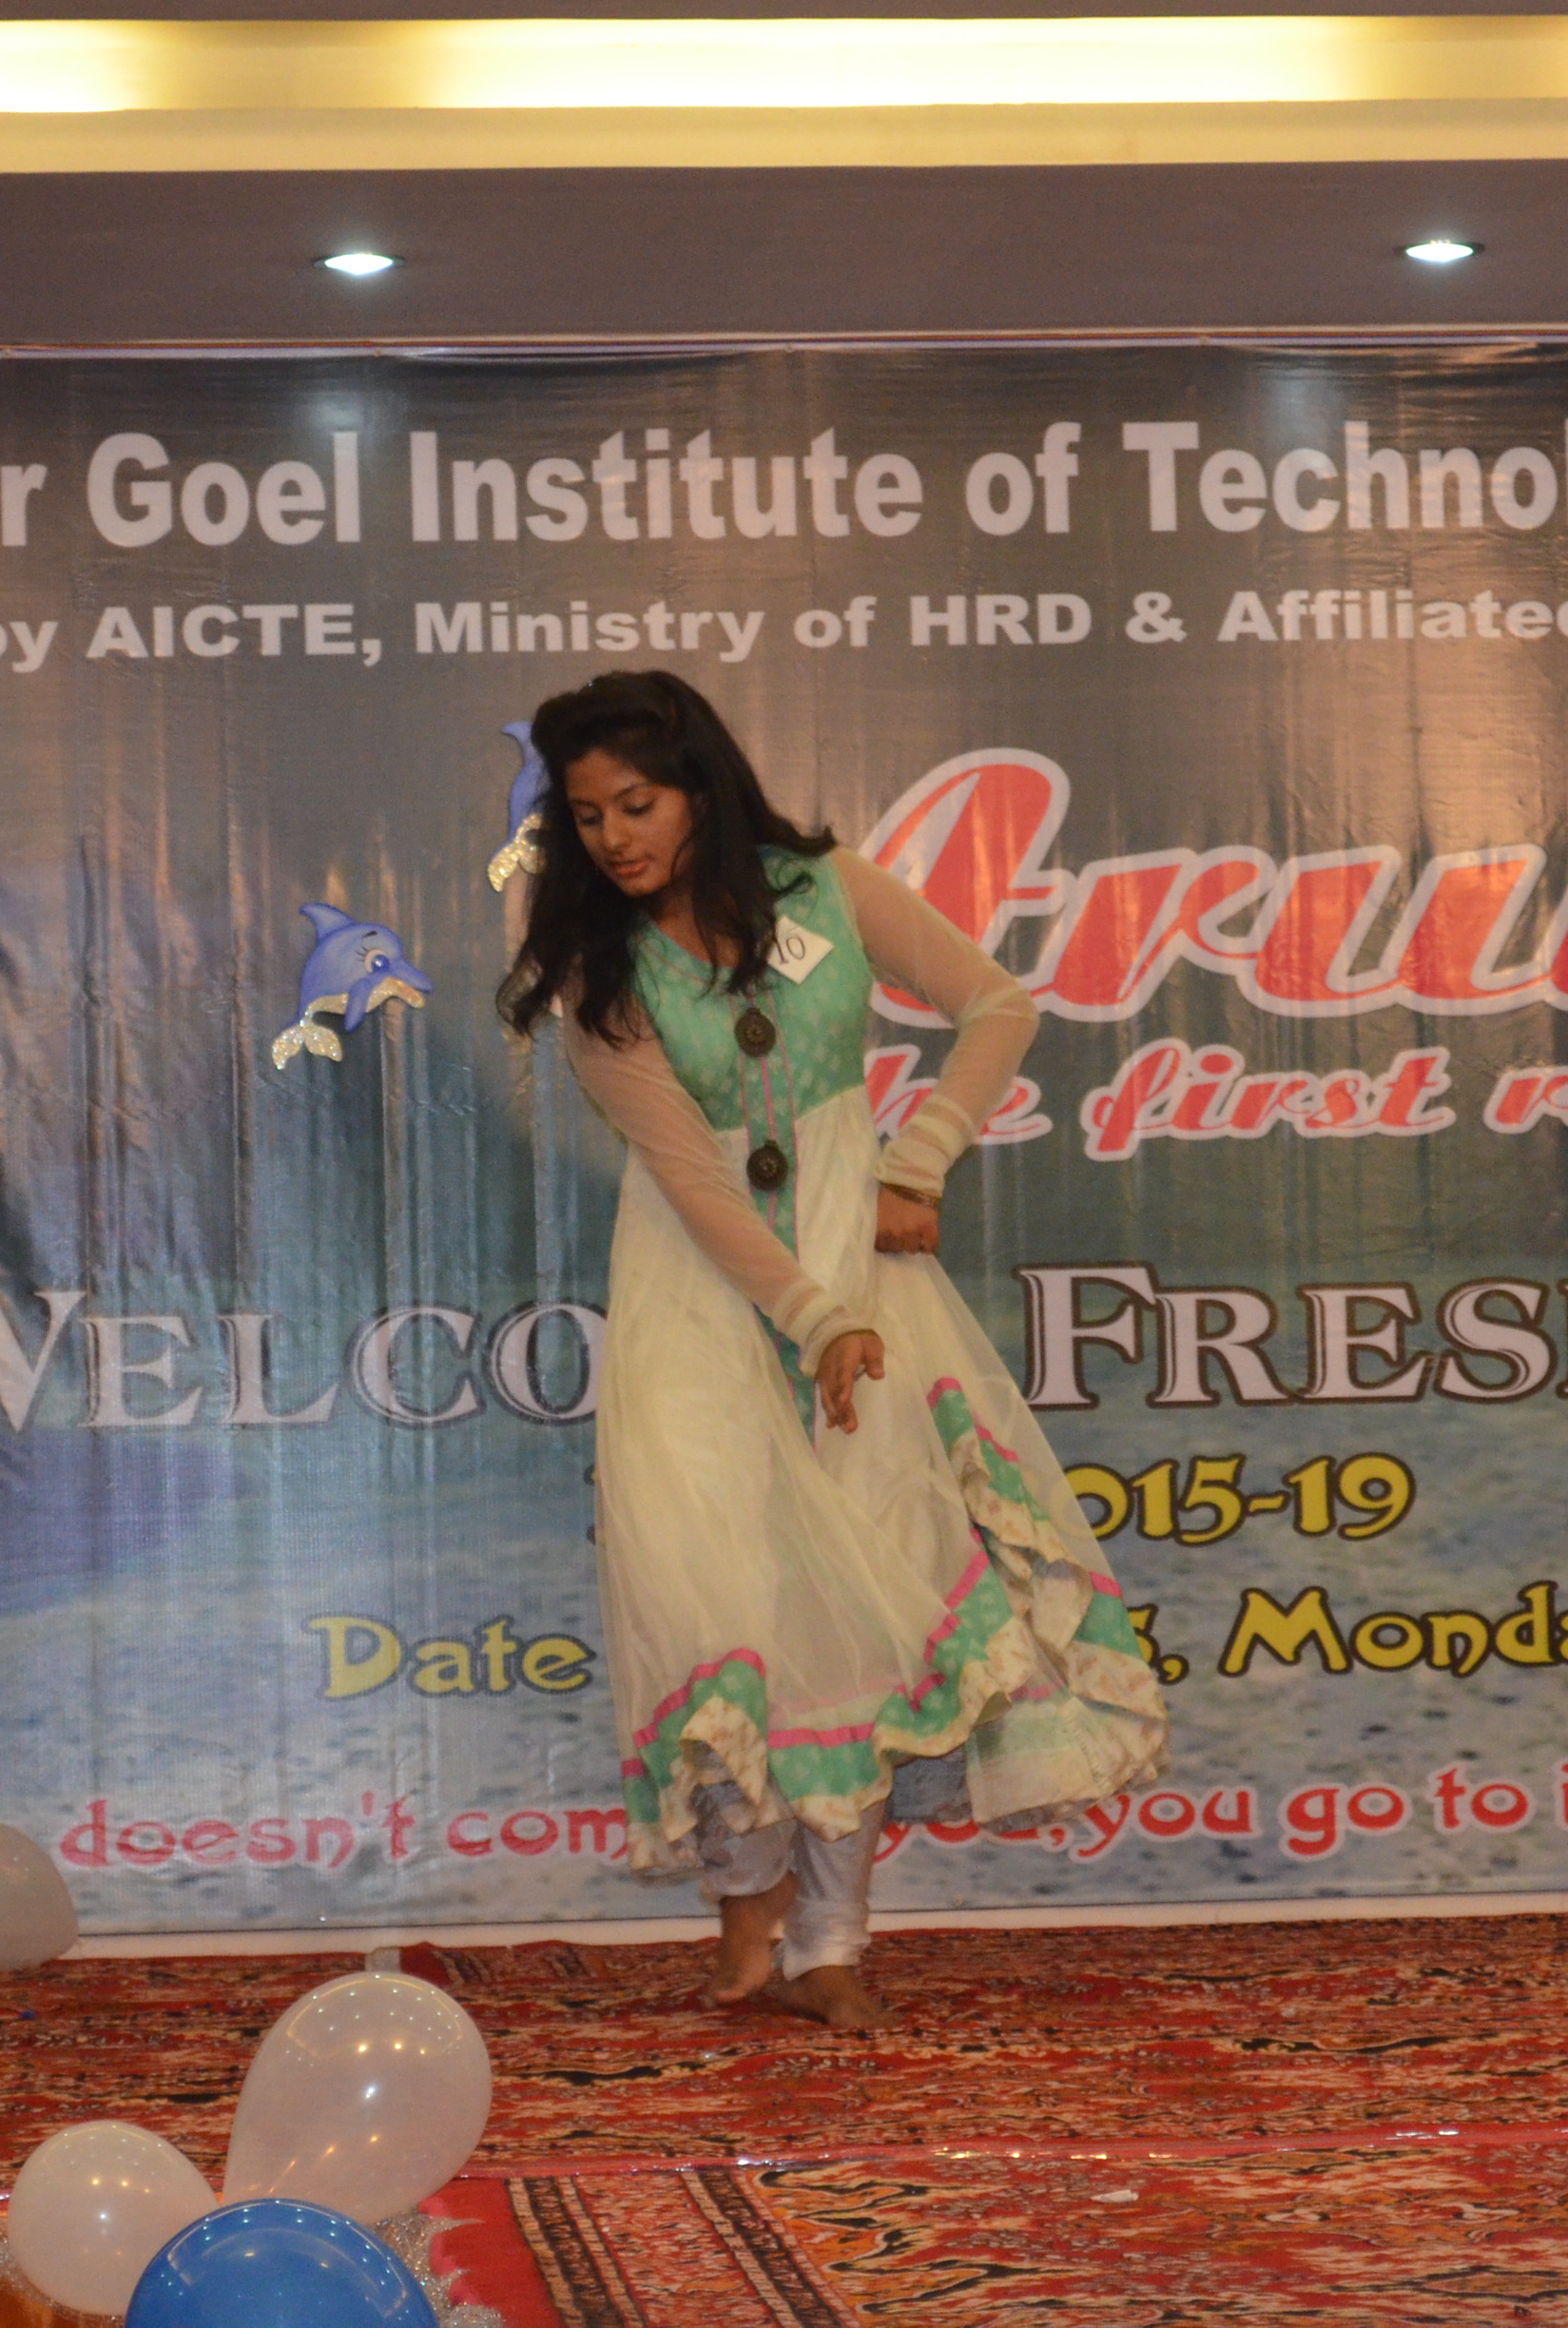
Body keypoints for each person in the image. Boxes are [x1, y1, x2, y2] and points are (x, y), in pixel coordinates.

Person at [500, 670, 1168, 2028]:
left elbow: (999, 1004)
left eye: (638, 803)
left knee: (864, 1598)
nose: (614, 837)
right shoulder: (599, 970)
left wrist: (917, 1164)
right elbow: (692, 1175)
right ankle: (747, 1912)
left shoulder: (826, 890)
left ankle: (835, 1943)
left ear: (701, 790)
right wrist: (815, 1320)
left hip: (864, 1287)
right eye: (588, 815)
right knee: (717, 1593)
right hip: (702, 1299)